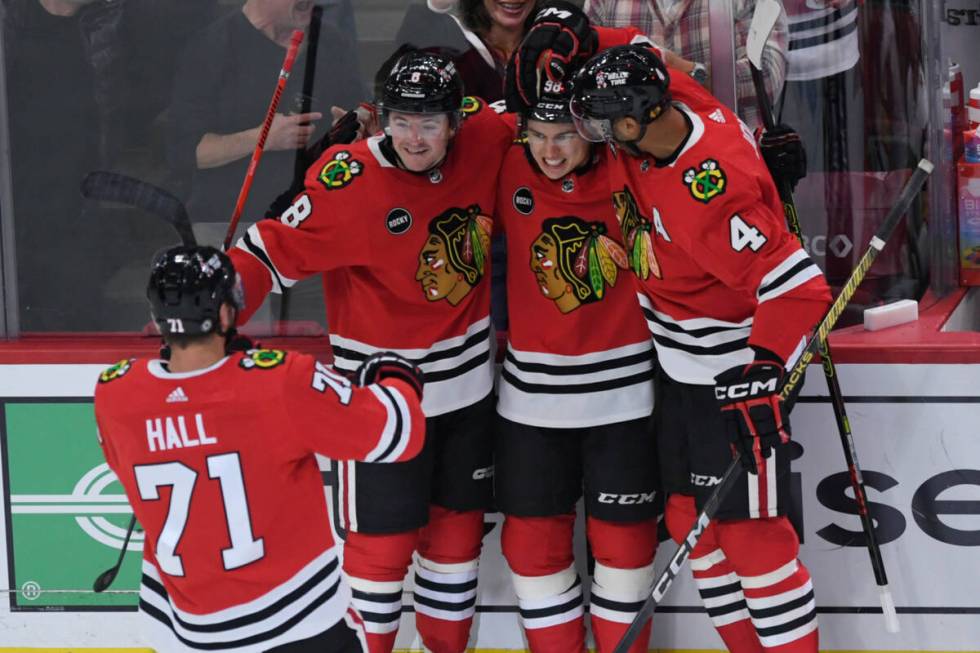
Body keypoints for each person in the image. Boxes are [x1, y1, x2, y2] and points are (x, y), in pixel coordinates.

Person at [514, 40, 832, 651]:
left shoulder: (710, 195)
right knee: (691, 521)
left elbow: (799, 288)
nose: (592, 136)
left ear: (633, 122)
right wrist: (571, 34)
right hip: (681, 370)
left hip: (733, 370)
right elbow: (640, 48)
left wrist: (761, 372)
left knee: (751, 536)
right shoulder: (678, 98)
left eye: (602, 125)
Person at [227, 50, 513, 653]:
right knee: (379, 557)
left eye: (429, 123)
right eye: (401, 122)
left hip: (466, 398)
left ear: (456, 120)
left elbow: (558, 124)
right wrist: (212, 308)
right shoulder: (347, 181)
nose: (415, 138)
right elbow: (266, 252)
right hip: (379, 410)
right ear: (381, 119)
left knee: (455, 551)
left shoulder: (486, 135)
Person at [93, 245, 426, 653]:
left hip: (185, 634)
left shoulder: (115, 393)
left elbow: (161, 431)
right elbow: (399, 433)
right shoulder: (281, 382)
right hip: (298, 625)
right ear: (226, 314)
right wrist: (395, 376)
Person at [493, 85, 659, 653]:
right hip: (529, 402)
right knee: (531, 552)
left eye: (564, 135)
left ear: (591, 128)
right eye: (538, 137)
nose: (551, 152)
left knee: (626, 556)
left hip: (626, 399)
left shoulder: (632, 166)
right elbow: (426, 138)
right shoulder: (504, 160)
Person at [167, 0, 365, 225]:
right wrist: (263, 138)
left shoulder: (332, 43)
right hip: (229, 220)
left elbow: (362, 116)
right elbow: (186, 153)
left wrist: (350, 129)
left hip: (312, 217)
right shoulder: (212, 46)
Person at [583, 0, 789, 129]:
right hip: (636, 170)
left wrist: (688, 72)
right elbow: (586, 85)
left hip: (728, 161)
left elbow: (768, 78)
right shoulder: (603, 2)